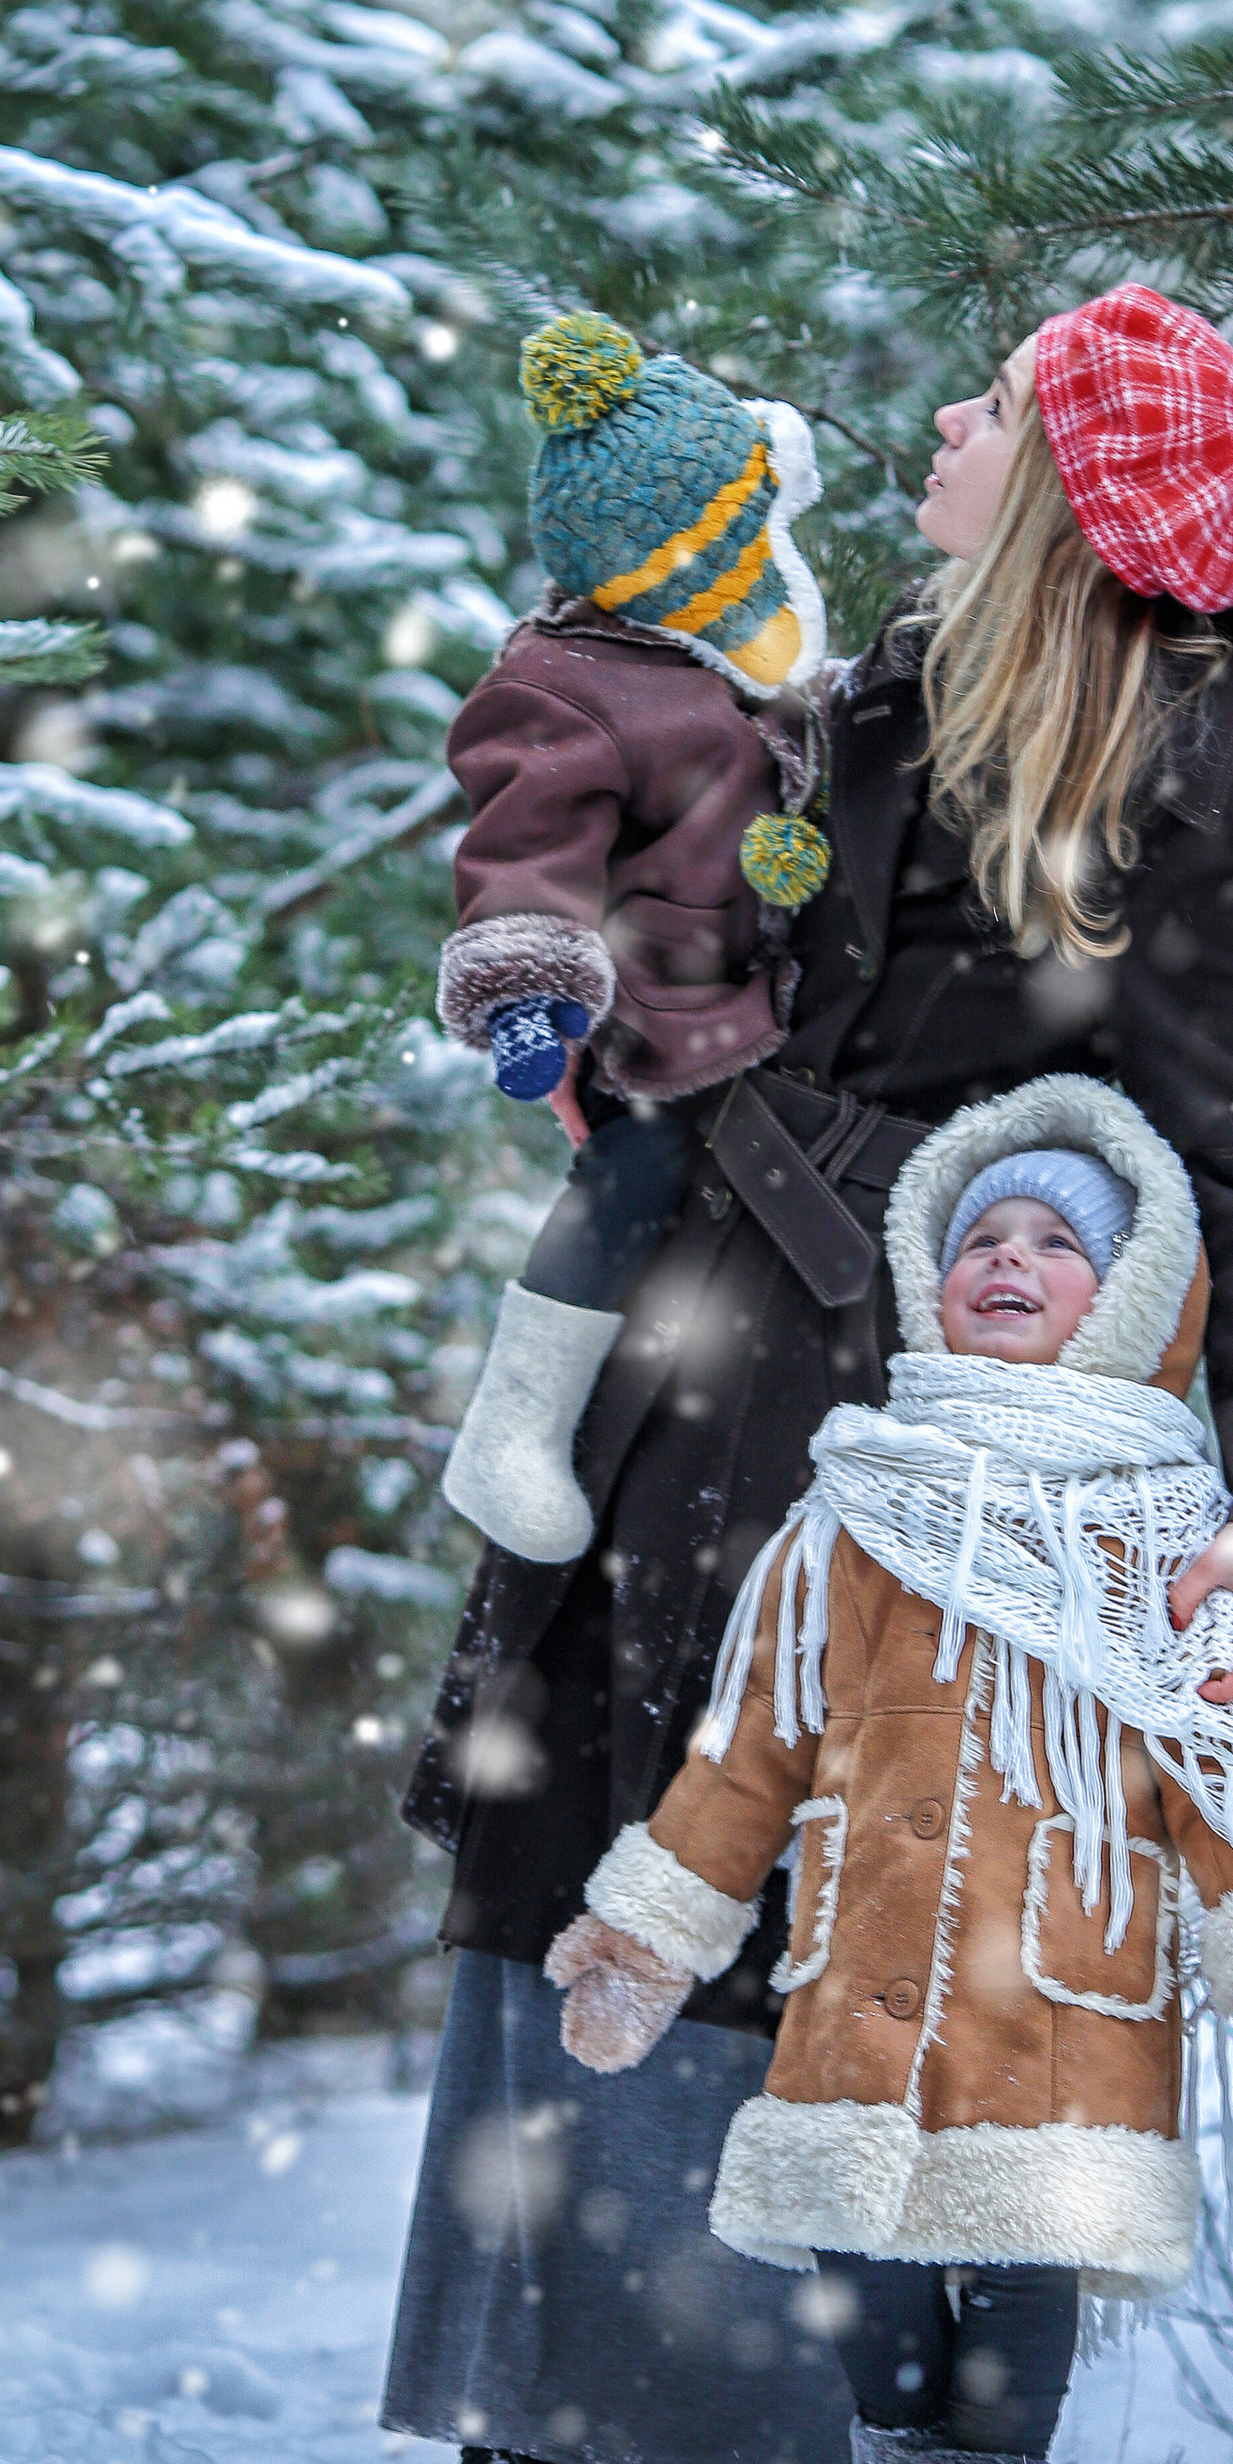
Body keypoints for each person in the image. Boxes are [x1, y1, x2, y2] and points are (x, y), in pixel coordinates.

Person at [384, 279, 1233, 2464]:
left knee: (853, 1867)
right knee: (593, 1818)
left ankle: (847, 2417)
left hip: (932, 1409)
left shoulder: (1179, 780)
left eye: (990, 403)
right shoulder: (856, 688)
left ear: (1069, 480)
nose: (940, 417)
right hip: (701, 1323)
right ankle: (538, 2406)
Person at [545, 1078, 1233, 2464]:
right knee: (869, 2258)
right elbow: (749, 1751)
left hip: (1064, 1975)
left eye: (1059, 1243)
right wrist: (655, 1928)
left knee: (1025, 2264)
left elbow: (1223, 1779)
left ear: (1127, 1302)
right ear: (929, 1271)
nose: (1011, 1257)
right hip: (866, 1962)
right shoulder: (852, 1508)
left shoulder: (1168, 1535)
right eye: (982, 1231)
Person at [432, 307, 831, 1566]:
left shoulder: (702, 642)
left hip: (750, 995)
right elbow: (524, 851)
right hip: (648, 1014)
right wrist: (529, 999)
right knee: (631, 1180)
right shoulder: (569, 686)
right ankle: (513, 1421)